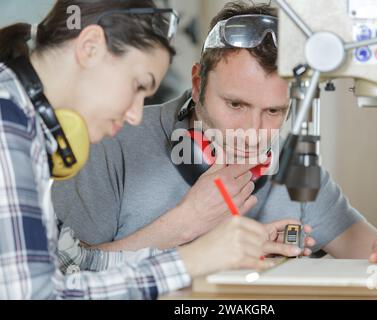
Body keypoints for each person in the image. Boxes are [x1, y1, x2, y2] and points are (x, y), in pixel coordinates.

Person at [53, 1, 377, 272]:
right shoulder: (114, 138)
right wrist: (184, 223)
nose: (253, 133)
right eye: (235, 105)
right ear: (198, 82)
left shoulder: (295, 168)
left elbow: (376, 254)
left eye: (273, 112)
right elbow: (64, 274)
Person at [0, 0, 282, 300]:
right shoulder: (8, 125)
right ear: (90, 47)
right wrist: (190, 261)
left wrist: (205, 254)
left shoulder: (25, 123)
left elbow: (76, 264)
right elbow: (35, 295)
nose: (136, 114)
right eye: (138, 85)